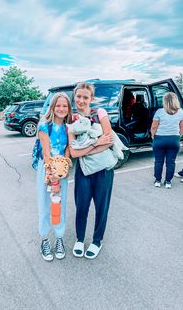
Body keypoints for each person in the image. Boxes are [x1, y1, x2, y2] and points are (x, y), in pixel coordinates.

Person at [68, 82, 114, 259]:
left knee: (102, 207)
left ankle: (97, 241)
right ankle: (80, 239)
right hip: (84, 170)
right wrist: (96, 143)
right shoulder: (71, 119)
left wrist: (85, 150)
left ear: (91, 99)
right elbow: (73, 151)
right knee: (82, 206)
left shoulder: (100, 113)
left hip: (104, 169)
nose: (81, 100)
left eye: (85, 97)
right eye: (78, 96)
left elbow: (108, 140)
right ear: (75, 97)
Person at [37, 92, 72, 261]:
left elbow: (67, 151)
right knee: (45, 205)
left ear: (68, 108)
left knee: (59, 206)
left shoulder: (68, 127)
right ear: (52, 107)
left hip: (61, 171)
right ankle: (44, 240)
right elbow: (45, 152)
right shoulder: (44, 125)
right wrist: (52, 176)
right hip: (47, 169)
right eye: (58, 105)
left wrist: (62, 169)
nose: (61, 108)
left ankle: (59, 238)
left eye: (65, 106)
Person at [151, 92, 183, 189]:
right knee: (171, 162)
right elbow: (182, 127)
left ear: (164, 101)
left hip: (159, 139)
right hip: (174, 139)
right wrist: (179, 136)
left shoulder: (159, 112)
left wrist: (153, 136)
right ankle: (168, 182)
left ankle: (157, 181)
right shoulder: (181, 111)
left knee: (158, 161)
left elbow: (154, 126)